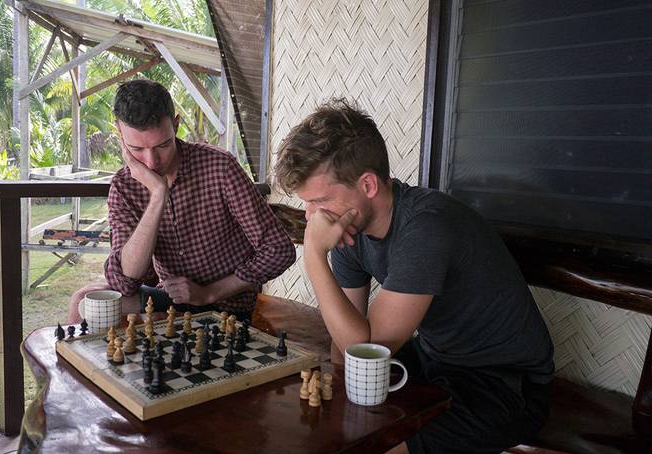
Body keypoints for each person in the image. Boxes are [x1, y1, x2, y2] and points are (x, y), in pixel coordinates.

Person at [274, 98, 554, 454]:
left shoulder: (427, 227)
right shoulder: (347, 229)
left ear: (368, 185)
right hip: (436, 360)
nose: (313, 217)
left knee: (382, 446)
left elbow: (369, 348)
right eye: (307, 204)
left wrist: (313, 257)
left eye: (320, 200)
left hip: (506, 383)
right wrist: (342, 407)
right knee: (326, 424)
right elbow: (346, 343)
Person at [67, 79, 295, 323]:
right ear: (119, 135)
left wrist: (208, 293)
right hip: (171, 300)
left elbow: (279, 250)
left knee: (148, 320)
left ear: (175, 125)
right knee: (84, 300)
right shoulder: (124, 186)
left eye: (162, 145)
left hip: (226, 307)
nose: (151, 162)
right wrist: (158, 195)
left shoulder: (219, 167)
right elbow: (125, 280)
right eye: (136, 149)